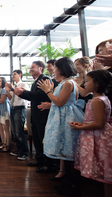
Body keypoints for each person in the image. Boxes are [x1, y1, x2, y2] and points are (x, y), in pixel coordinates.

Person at [37, 57, 84, 191]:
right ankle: (66, 179)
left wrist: (48, 91)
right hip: (60, 116)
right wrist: (49, 100)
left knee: (68, 150)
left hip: (65, 118)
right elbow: (58, 101)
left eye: (56, 68)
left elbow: (59, 102)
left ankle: (70, 185)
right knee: (64, 150)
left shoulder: (68, 83)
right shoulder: (66, 82)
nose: (54, 71)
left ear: (61, 69)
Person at [70, 70, 112, 197]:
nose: (84, 84)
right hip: (96, 134)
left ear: (97, 84)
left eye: (87, 81)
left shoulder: (97, 101)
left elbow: (99, 124)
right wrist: (81, 124)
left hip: (99, 137)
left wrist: (81, 127)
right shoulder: (101, 98)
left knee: (104, 169)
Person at [14, 61, 54, 172]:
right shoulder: (36, 81)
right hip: (36, 114)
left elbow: (41, 95)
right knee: (37, 139)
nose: (30, 69)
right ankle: (39, 160)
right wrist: (22, 94)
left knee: (42, 139)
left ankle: (47, 163)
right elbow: (33, 97)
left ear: (40, 68)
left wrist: (24, 92)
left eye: (33, 67)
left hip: (42, 114)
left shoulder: (44, 79)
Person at [6, 70, 30, 161]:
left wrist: (12, 89)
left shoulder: (23, 85)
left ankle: (25, 152)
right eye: (12, 74)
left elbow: (22, 95)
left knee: (19, 131)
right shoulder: (14, 85)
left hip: (20, 108)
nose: (13, 76)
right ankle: (19, 150)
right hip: (13, 108)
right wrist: (8, 90)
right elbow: (10, 97)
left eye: (15, 74)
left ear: (20, 75)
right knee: (15, 132)